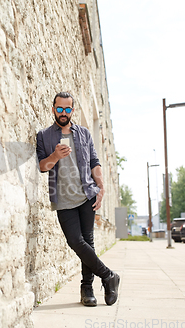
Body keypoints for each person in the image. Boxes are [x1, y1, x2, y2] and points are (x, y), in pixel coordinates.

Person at [36, 91, 120, 306]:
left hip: (86, 195)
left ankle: (87, 289)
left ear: (72, 110)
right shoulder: (44, 136)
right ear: (53, 108)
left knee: (88, 242)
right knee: (75, 241)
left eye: (67, 109)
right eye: (59, 108)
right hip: (63, 198)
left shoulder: (83, 133)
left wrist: (101, 188)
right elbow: (42, 167)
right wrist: (55, 156)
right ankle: (109, 276)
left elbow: (94, 161)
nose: (63, 113)